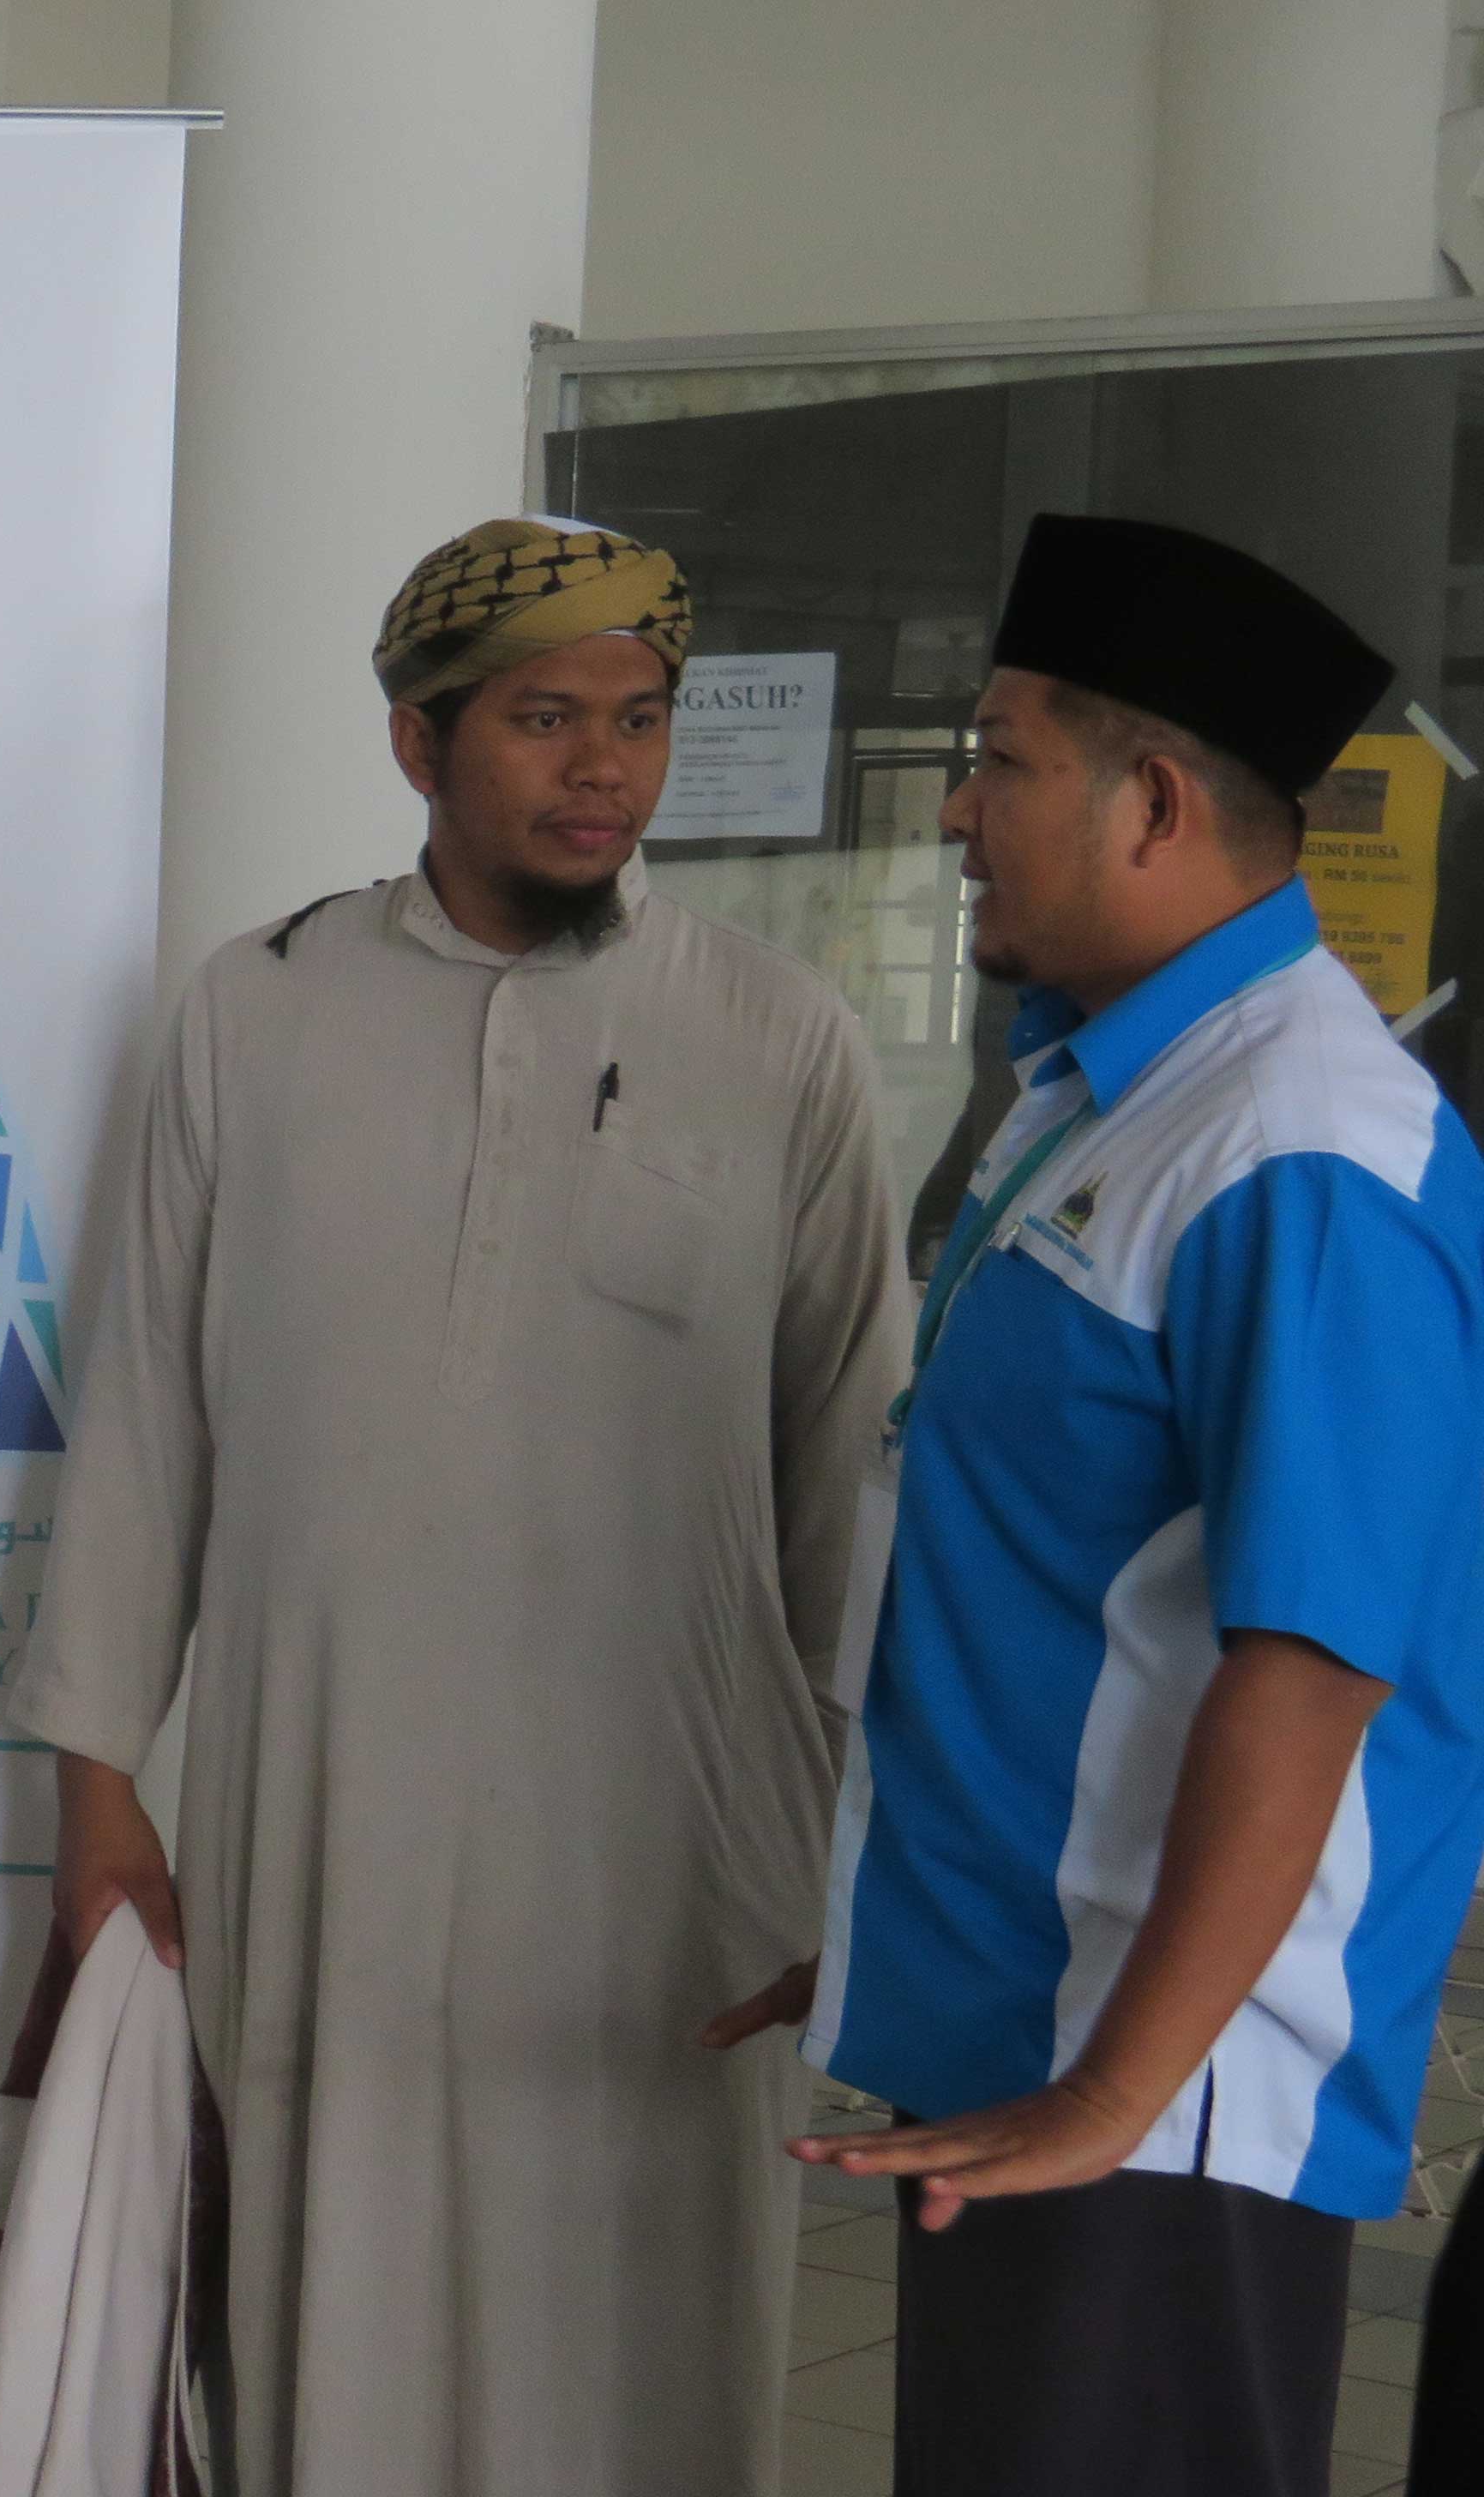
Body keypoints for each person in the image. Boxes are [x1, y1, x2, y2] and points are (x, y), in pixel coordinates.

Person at [6, 517, 904, 2497]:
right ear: (418, 745)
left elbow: (842, 1472)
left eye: (640, 720)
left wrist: (853, 1858)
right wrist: (98, 1797)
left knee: (647, 2348)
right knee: (328, 2318)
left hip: (672, 1851)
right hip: (322, 1810)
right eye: (543, 719)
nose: (603, 770)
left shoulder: (778, 1040)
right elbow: (146, 1416)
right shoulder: (251, 1014)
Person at [703, 516, 1484, 2497]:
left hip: (1157, 2093)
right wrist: (891, 1915)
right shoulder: (1113, 1094)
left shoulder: (1297, 1152)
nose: (953, 812)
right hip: (1032, 2040)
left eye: (997, 760)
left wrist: (1117, 2091)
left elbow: (1314, 1663)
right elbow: (1052, 1572)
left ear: (1151, 803)